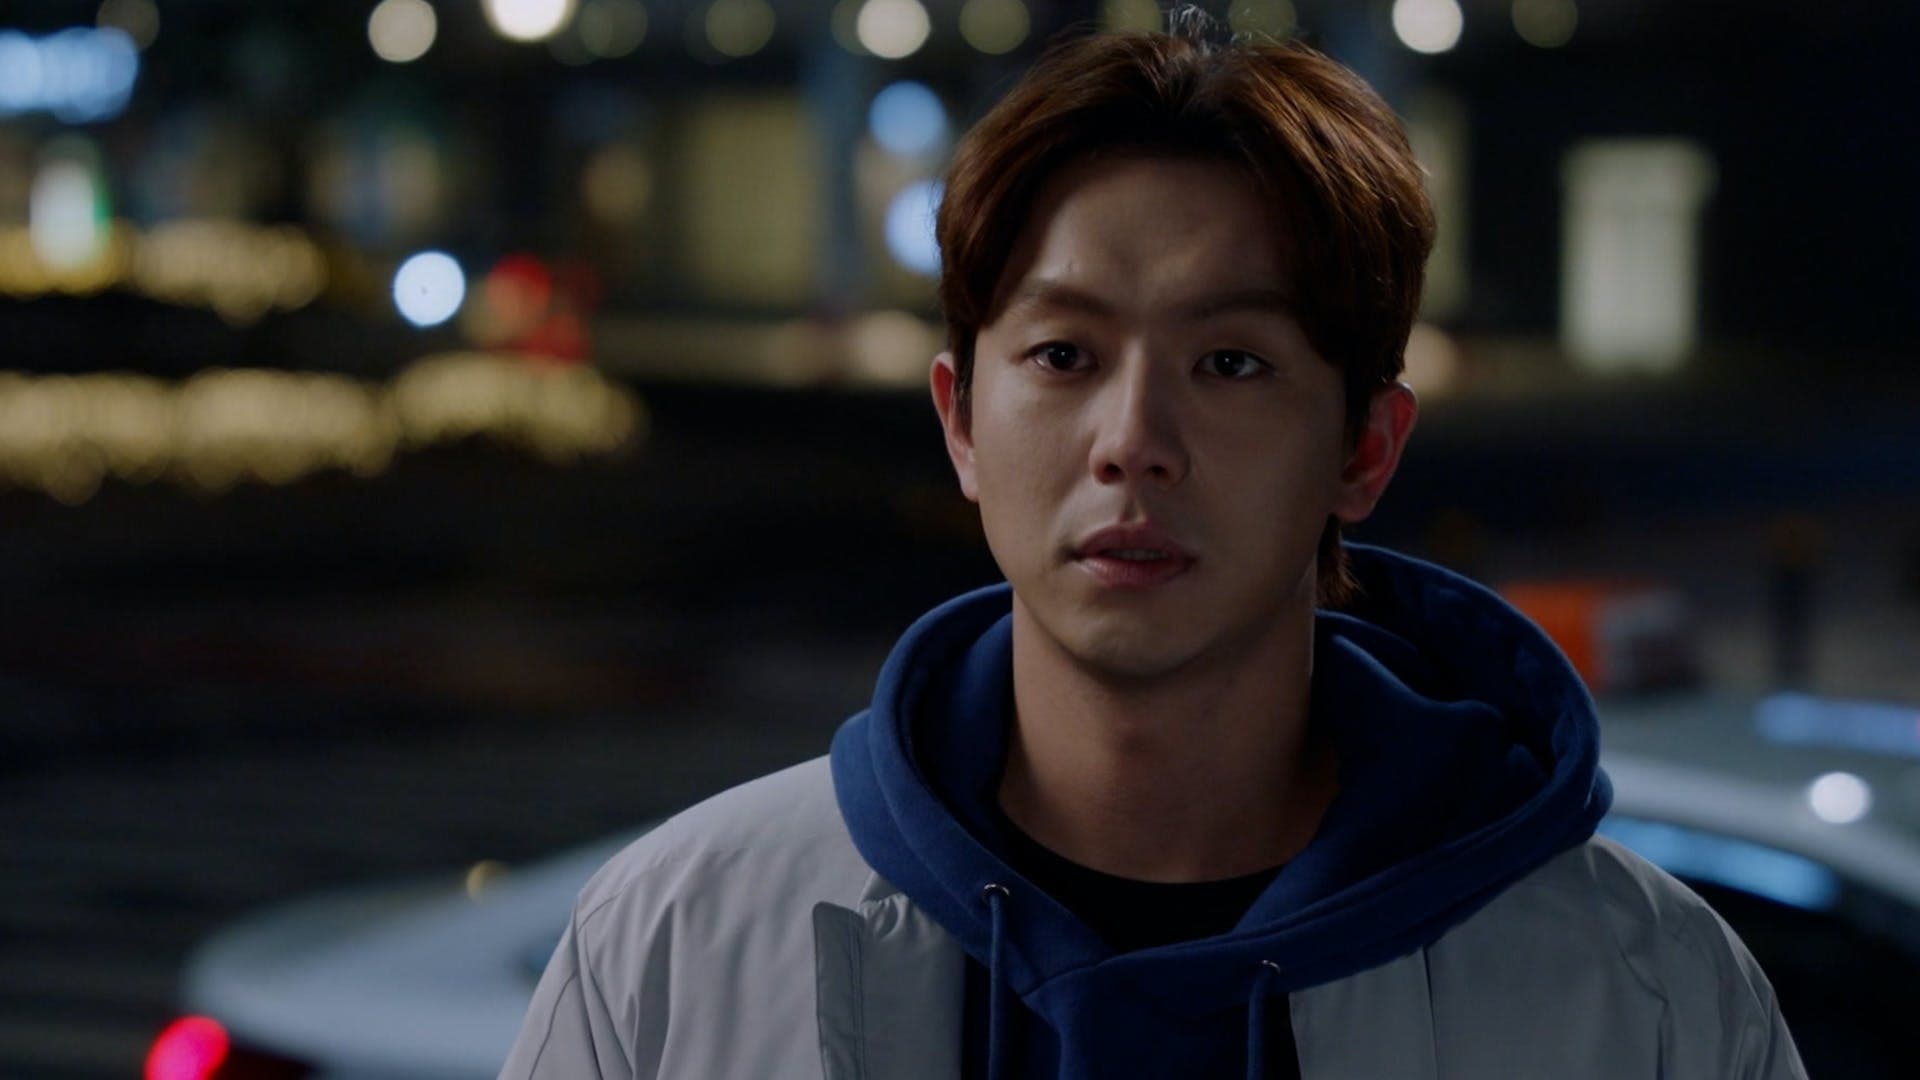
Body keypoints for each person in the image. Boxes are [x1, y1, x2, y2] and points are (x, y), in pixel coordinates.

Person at [501, 17, 1805, 1080]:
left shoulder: (1645, 993)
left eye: (1230, 362)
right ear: (962, 422)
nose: (1133, 442)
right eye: (1064, 354)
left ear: (1365, 448)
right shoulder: (674, 944)